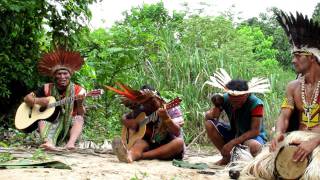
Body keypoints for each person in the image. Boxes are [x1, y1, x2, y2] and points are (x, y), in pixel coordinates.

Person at [242, 11, 320, 180]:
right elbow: (284, 116)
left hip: (319, 141)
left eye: (298, 55)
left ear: (312, 57)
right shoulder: (293, 87)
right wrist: (279, 132)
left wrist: (315, 141)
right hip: (296, 138)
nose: (293, 60)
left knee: (313, 176)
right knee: (257, 169)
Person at [204, 68, 270, 165]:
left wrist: (232, 143)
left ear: (246, 95)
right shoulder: (226, 98)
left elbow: (255, 131)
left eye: (238, 102)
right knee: (209, 124)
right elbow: (208, 116)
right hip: (235, 134)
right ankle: (227, 157)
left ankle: (251, 163)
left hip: (253, 138)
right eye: (232, 101)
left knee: (254, 146)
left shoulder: (256, 104)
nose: (235, 105)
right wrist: (217, 105)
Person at [23, 48, 86, 151]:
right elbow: (27, 98)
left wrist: (79, 103)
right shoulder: (46, 88)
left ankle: (70, 144)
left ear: (70, 75)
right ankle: (48, 142)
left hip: (70, 125)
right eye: (59, 74)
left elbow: (81, 113)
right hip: (51, 123)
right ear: (54, 76)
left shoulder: (79, 90)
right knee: (41, 122)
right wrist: (38, 101)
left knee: (79, 119)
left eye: (65, 74)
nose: (62, 77)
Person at [107, 84, 185, 163]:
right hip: (150, 144)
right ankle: (130, 156)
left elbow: (176, 131)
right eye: (145, 103)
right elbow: (124, 118)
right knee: (140, 143)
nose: (149, 105)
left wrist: (167, 118)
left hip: (169, 147)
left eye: (152, 102)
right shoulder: (142, 109)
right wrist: (131, 123)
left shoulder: (171, 108)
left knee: (179, 143)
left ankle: (141, 156)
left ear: (159, 99)